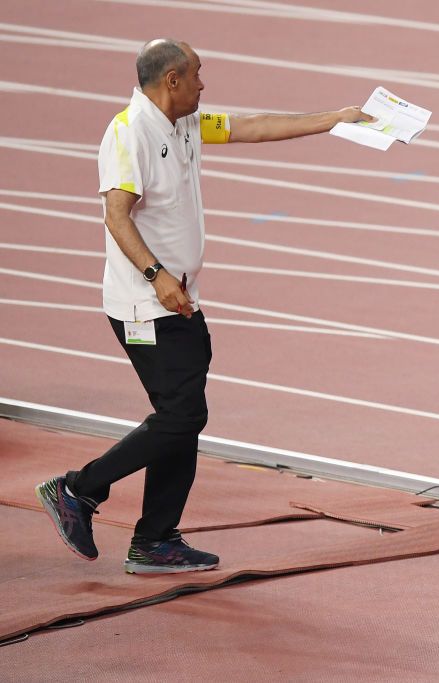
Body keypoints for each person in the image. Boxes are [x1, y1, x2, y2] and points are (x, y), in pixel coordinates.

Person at [34, 38, 374, 574]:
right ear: (170, 80)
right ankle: (78, 490)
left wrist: (336, 119)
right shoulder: (130, 134)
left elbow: (253, 126)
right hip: (146, 305)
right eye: (196, 74)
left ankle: (155, 538)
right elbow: (117, 215)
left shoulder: (184, 123)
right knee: (182, 415)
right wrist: (157, 276)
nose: (202, 84)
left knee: (180, 417)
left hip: (180, 302)